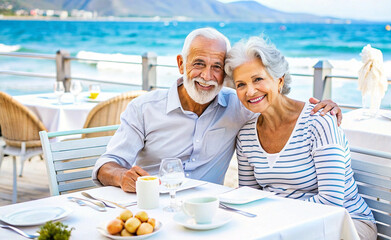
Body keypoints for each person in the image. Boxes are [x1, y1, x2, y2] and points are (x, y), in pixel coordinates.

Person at [92, 27, 342, 193]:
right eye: (198, 63)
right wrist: (121, 176)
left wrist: (324, 106)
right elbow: (107, 164)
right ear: (181, 64)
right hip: (150, 207)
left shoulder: (240, 105)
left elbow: (272, 99)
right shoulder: (144, 108)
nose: (207, 76)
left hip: (207, 213)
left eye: (217, 67)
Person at [225, 36, 377, 239]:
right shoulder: (245, 137)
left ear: (279, 80)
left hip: (345, 224)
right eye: (240, 84)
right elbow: (248, 197)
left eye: (258, 79)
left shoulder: (319, 121)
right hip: (285, 226)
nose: (250, 91)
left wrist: (273, 212)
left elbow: (331, 203)